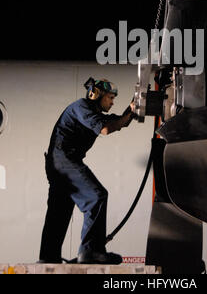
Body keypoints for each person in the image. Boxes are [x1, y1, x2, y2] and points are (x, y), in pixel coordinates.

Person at [39, 77, 136, 265]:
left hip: (57, 163)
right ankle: (91, 250)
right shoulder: (82, 106)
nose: (112, 101)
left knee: (59, 211)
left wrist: (133, 108)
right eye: (110, 97)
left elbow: (120, 122)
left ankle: (48, 258)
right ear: (96, 95)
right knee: (96, 196)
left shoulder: (94, 113)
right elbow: (106, 129)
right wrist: (127, 114)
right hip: (63, 159)